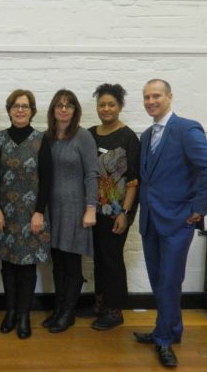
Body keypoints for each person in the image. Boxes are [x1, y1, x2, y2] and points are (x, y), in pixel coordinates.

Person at [134, 79, 207, 368]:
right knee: (160, 281)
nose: (150, 101)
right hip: (151, 222)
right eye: (146, 97)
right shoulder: (146, 136)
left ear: (170, 97)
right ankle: (171, 329)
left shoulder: (186, 129)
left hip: (178, 221)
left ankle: (164, 340)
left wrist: (199, 208)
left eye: (156, 96)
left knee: (169, 281)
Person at [0, 89, 52, 339]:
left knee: (27, 267)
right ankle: (11, 312)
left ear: (32, 110)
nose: (20, 110)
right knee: (8, 265)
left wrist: (39, 213)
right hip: (4, 213)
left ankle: (24, 315)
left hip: (31, 214)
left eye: (25, 106)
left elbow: (47, 180)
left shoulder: (40, 139)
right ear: (9, 109)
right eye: (15, 106)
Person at [41, 89, 99, 334]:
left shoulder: (83, 137)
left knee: (71, 263)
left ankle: (68, 313)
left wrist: (90, 209)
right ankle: (59, 307)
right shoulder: (46, 137)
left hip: (76, 209)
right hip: (51, 210)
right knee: (57, 263)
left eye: (69, 105)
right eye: (59, 105)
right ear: (53, 110)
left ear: (75, 110)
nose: (63, 109)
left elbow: (91, 174)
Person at [86, 84, 140, 330]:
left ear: (120, 107)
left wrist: (125, 214)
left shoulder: (128, 137)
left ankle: (114, 311)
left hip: (117, 212)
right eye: (102, 104)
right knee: (99, 259)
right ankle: (100, 304)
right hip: (93, 210)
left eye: (111, 104)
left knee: (112, 260)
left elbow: (133, 180)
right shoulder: (90, 134)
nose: (106, 109)